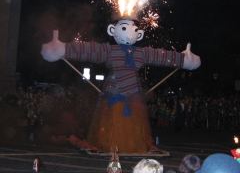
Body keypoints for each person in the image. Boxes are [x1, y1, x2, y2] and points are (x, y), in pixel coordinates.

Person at [41, 18, 201, 153]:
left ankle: (131, 145)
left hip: (133, 97)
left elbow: (160, 56)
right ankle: (112, 145)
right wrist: (64, 49)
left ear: (139, 34)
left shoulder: (142, 53)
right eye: (124, 27)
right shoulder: (108, 50)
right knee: (113, 124)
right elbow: (89, 50)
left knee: (131, 126)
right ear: (112, 30)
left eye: (133, 29)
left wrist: (183, 59)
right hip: (113, 95)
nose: (130, 32)